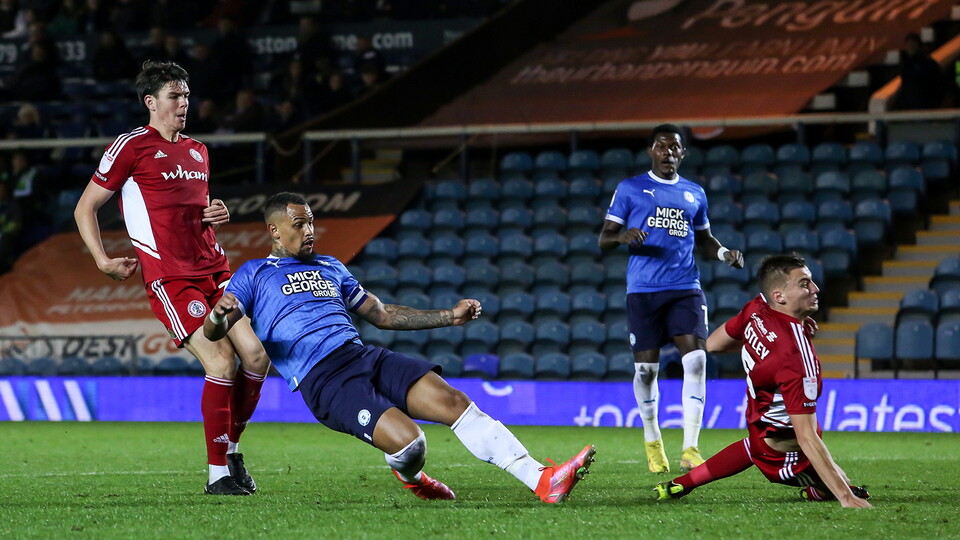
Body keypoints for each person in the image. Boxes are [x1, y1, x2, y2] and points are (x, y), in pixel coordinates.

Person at [203, 192, 596, 504]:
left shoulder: (331, 266)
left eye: (311, 222)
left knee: (454, 402)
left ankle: (542, 480)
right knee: (411, 445)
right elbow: (214, 330)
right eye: (299, 224)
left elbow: (382, 314)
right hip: (324, 380)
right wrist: (219, 316)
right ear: (274, 230)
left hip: (363, 356)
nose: (309, 231)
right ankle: (413, 476)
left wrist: (449, 316)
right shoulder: (253, 274)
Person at [73, 61, 271, 496]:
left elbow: (196, 208)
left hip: (216, 270)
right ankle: (217, 476)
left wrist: (216, 211)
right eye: (174, 96)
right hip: (172, 277)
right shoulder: (130, 146)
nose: (184, 104)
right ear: (151, 102)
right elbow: (85, 207)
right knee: (222, 362)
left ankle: (231, 452)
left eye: (186, 96)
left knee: (257, 358)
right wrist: (102, 260)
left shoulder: (199, 150)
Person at [655, 253, 872, 508]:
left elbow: (713, 344)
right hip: (784, 454)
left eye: (811, 281)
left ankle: (681, 483)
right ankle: (818, 491)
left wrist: (771, 345)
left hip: (759, 423)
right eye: (804, 284)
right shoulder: (795, 357)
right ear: (779, 296)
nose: (815, 289)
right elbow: (807, 437)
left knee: (752, 448)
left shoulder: (757, 308)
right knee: (840, 483)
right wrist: (846, 497)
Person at [598, 123, 744, 474]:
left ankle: (691, 448)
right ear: (651, 151)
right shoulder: (630, 188)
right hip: (643, 290)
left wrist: (723, 253)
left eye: (675, 147)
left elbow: (705, 240)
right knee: (647, 372)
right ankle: (652, 440)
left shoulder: (694, 193)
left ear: (683, 153)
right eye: (662, 147)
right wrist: (623, 237)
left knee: (696, 360)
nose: (669, 153)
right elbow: (604, 238)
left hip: (685, 287)